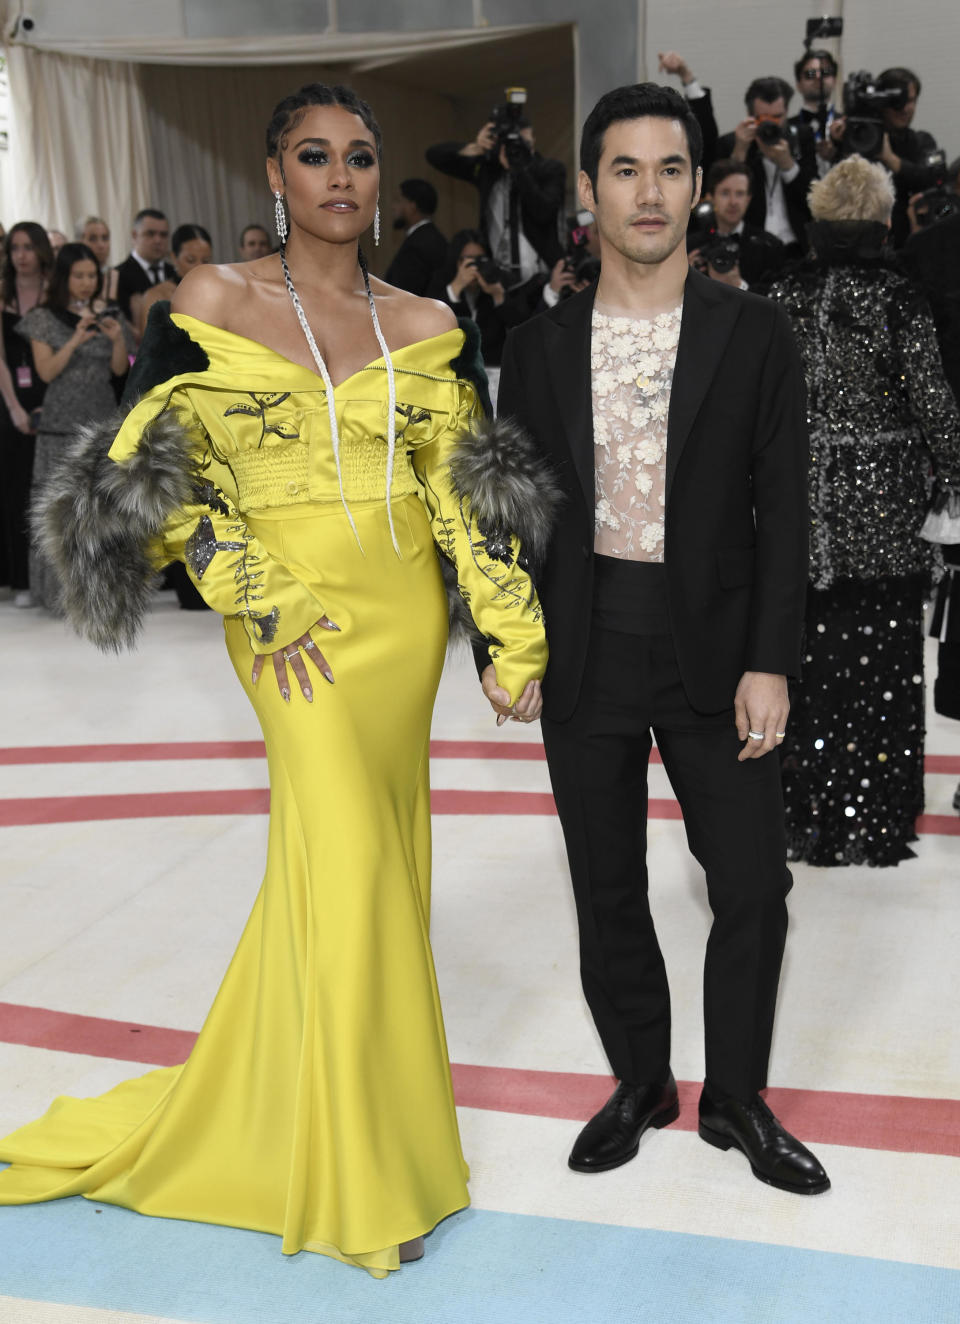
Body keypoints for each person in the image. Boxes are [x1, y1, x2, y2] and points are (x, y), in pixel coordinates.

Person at [0, 82, 552, 1278]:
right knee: (349, 857)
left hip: (401, 621)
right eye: (315, 156)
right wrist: (249, 584)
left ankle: (355, 1124)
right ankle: (361, 1174)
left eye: (360, 156)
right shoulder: (213, 297)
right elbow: (149, 469)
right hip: (288, 625)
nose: (341, 176)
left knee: (373, 871)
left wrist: (512, 626)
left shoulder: (419, 320)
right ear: (274, 176)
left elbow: (464, 485)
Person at [483, 81, 829, 1194]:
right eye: (624, 169)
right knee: (606, 885)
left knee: (753, 884)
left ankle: (735, 1095)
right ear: (588, 191)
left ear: (701, 188)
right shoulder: (536, 348)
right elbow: (515, 509)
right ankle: (640, 1078)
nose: (649, 190)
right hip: (589, 646)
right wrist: (512, 642)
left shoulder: (755, 330)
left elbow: (786, 506)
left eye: (670, 168)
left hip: (721, 658)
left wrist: (772, 658)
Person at [766, 155, 960, 865]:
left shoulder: (779, 295)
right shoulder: (899, 298)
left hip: (795, 517)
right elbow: (934, 404)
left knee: (803, 665)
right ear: (883, 222)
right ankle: (873, 813)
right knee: (879, 666)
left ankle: (804, 811)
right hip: (884, 517)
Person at [17, 242, 134, 612]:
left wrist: (117, 340)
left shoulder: (109, 314)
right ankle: (58, 595)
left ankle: (102, 594)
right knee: (61, 512)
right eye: (78, 276)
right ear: (63, 277)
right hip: (59, 425)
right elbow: (47, 371)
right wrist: (75, 339)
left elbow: (120, 369)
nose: (86, 283)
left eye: (91, 276)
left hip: (100, 420)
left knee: (102, 511)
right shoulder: (41, 317)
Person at [426, 114, 565, 287]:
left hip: (544, 280)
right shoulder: (489, 172)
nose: (519, 149)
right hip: (498, 282)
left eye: (524, 143)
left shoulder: (550, 169)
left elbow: (543, 212)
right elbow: (434, 155)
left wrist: (518, 170)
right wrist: (476, 147)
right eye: (513, 145)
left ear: (533, 141)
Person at [0, 222, 52, 607]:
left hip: (55, 399)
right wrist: (16, 408)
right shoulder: (2, 292)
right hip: (11, 403)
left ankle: (54, 580)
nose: (21, 254)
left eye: (28, 247)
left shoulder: (56, 292)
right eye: (14, 247)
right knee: (18, 489)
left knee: (53, 492)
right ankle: (22, 579)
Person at [716, 76, 818, 254]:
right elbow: (723, 201)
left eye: (777, 117)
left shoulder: (801, 138)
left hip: (795, 245)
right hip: (752, 245)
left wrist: (788, 165)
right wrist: (739, 153)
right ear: (751, 117)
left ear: (787, 112)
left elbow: (814, 199)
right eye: (763, 118)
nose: (771, 124)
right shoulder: (732, 143)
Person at [427, 228, 525, 366]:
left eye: (480, 260)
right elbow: (430, 326)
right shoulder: (442, 281)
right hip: (452, 366)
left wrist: (498, 296)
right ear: (456, 261)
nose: (474, 267)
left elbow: (520, 327)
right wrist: (455, 287)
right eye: (467, 260)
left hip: (491, 367)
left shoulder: (498, 281)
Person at [688, 159, 785, 289]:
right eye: (725, 193)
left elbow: (775, 304)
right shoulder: (689, 246)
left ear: (748, 199)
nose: (733, 202)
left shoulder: (770, 247)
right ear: (711, 197)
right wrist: (685, 278)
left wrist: (739, 286)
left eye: (740, 194)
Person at [134, 223, 213, 336]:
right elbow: (150, 347)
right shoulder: (156, 296)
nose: (199, 267)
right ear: (174, 257)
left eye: (205, 261)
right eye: (190, 260)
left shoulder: (217, 294)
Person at [384, 178, 447, 296]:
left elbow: (405, 294)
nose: (393, 207)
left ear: (412, 206)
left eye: (398, 201)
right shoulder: (430, 237)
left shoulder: (417, 246)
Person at [113, 208, 176, 321]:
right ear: (134, 235)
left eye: (163, 235)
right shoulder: (117, 276)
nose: (158, 240)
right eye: (150, 234)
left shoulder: (174, 273)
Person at [790, 49, 839, 174]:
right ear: (798, 84)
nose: (818, 77)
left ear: (834, 81)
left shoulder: (849, 125)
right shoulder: (787, 128)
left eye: (826, 72)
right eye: (810, 74)